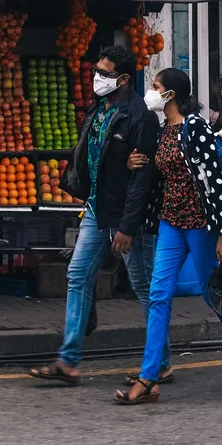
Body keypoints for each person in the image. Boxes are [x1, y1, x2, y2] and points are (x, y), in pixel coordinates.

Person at [114, 68, 222, 405]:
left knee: (216, 298)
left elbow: (216, 182)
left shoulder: (195, 128)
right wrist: (135, 162)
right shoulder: (160, 127)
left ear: (171, 95)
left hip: (199, 225)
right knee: (157, 295)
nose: (150, 92)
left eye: (155, 87)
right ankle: (149, 377)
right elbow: (158, 174)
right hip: (170, 222)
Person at [29, 45, 172, 385]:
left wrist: (127, 226)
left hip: (126, 216)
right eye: (97, 71)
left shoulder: (140, 116)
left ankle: (162, 361)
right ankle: (68, 361)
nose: (98, 78)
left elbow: (143, 178)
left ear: (123, 79)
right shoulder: (99, 107)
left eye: (105, 74)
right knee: (78, 275)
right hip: (97, 208)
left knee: (141, 285)